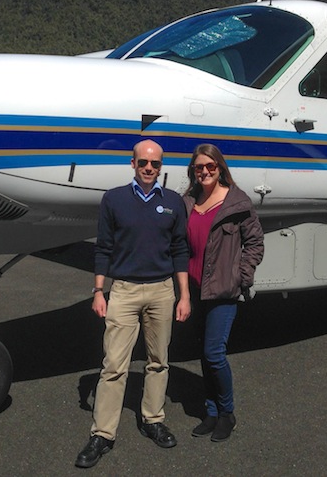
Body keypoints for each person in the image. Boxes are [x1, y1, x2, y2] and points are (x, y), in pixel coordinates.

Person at [75, 139, 191, 469]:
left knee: (158, 360)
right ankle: (103, 434)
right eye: (143, 163)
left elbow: (180, 250)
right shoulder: (114, 200)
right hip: (123, 292)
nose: (149, 169)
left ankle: (152, 419)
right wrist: (99, 290)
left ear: (161, 166)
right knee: (114, 364)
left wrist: (184, 295)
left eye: (155, 164)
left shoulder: (172, 202)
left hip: (162, 291)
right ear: (133, 164)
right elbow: (103, 249)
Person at [182, 144, 264, 442]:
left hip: (223, 291)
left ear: (220, 168)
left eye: (210, 167)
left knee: (214, 353)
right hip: (193, 289)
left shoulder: (237, 203)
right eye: (199, 168)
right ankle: (211, 411)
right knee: (203, 352)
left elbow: (255, 244)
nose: (204, 172)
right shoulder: (188, 201)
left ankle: (227, 413)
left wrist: (241, 276)